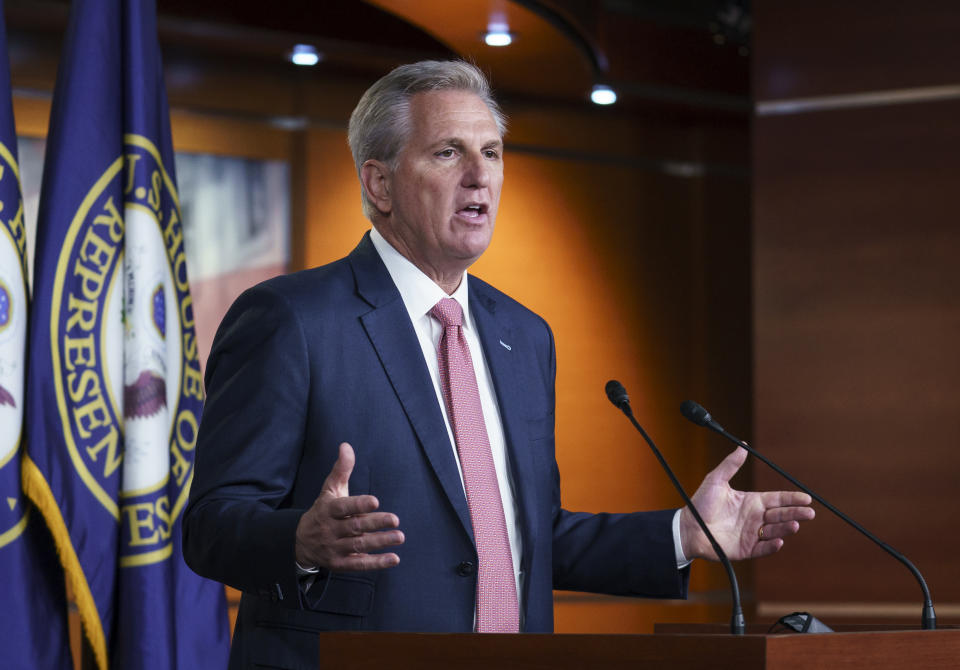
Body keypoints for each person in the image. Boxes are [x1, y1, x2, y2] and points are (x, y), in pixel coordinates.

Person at [182, 60, 814, 669]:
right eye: (448, 152)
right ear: (379, 184)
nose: (480, 176)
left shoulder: (523, 334)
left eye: (491, 153)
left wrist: (683, 534)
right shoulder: (291, 320)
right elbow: (212, 526)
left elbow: (523, 535)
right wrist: (301, 540)